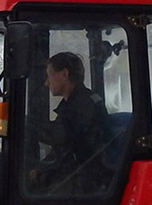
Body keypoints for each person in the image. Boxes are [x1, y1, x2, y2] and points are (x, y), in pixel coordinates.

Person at [31, 52, 110, 193]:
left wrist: (26, 125)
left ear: (64, 74)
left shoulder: (84, 105)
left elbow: (62, 137)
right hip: (75, 173)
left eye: (49, 75)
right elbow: (61, 149)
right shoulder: (72, 105)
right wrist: (41, 168)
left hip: (86, 180)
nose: (46, 82)